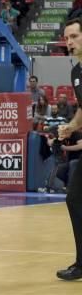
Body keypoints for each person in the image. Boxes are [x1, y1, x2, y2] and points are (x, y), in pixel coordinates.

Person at [58, 18, 82, 280]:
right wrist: (71, 126)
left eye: (74, 36)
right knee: (74, 198)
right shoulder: (76, 73)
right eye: (66, 38)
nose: (69, 42)